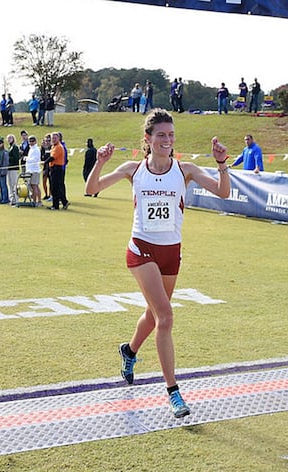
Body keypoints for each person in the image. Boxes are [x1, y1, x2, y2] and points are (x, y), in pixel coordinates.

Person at [84, 108, 231, 418]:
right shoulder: (133, 169)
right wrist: (99, 163)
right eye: (161, 135)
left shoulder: (185, 169)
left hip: (170, 252)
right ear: (147, 139)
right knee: (165, 317)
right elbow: (91, 189)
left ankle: (129, 351)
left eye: (171, 135)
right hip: (141, 249)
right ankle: (173, 392)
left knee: (153, 316)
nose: (168, 140)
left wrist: (221, 165)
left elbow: (223, 192)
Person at [46, 132, 69, 210]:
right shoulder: (53, 146)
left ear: (58, 139)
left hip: (57, 168)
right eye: (52, 138)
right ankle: (61, 203)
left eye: (55, 138)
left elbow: (53, 157)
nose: (53, 140)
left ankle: (58, 204)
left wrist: (45, 162)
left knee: (56, 187)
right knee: (55, 187)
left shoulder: (59, 147)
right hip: (53, 168)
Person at [24, 135, 42, 207]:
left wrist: (26, 159)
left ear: (35, 141)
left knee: (35, 186)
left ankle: (37, 201)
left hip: (34, 170)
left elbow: (35, 160)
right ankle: (35, 200)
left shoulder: (36, 149)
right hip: (30, 170)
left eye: (32, 141)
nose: (31, 143)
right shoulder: (31, 149)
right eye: (30, 141)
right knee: (31, 185)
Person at [0, 137, 9, 204]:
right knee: (0, 186)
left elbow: (5, 163)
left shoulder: (4, 152)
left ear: (2, 144)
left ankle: (5, 199)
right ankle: (1, 198)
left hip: (2, 172)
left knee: (3, 185)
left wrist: (3, 172)